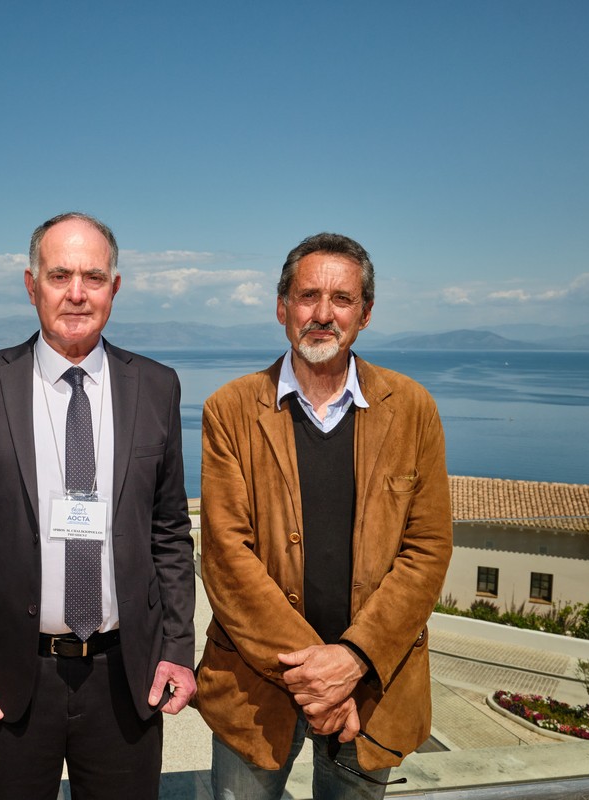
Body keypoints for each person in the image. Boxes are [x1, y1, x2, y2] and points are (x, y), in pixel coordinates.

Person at [0, 211, 196, 798]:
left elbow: (170, 533)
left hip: (125, 678)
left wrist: (179, 649)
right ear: (32, 286)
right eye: (59, 276)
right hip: (8, 676)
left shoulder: (157, 386)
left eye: (93, 277)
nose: (77, 293)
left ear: (114, 288)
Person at [196, 232, 452, 799]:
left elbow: (428, 549)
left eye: (342, 299)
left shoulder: (413, 409)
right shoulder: (229, 410)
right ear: (282, 307)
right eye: (308, 296)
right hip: (255, 692)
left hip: (373, 690)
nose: (323, 314)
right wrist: (319, 679)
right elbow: (225, 556)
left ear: (365, 314)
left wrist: (354, 659)